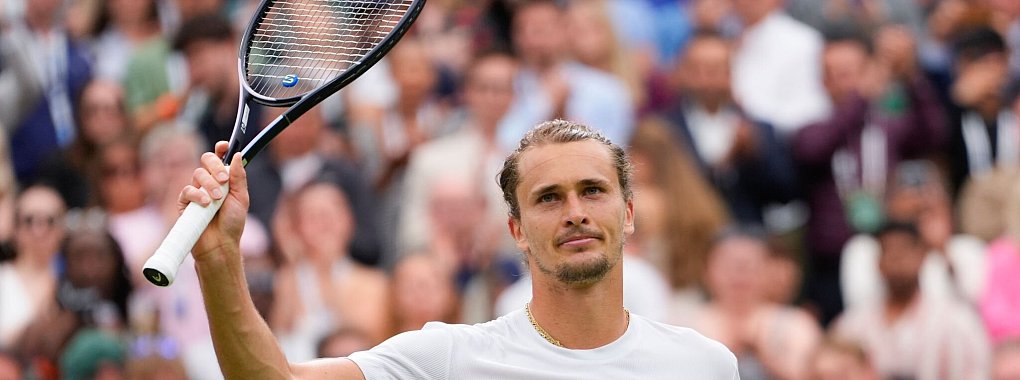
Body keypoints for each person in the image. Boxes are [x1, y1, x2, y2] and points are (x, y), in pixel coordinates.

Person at [178, 119, 738, 378]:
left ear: (629, 213)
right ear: (517, 231)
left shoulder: (705, 365)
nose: (575, 211)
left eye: (593, 190)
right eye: (548, 198)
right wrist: (219, 260)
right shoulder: (448, 359)